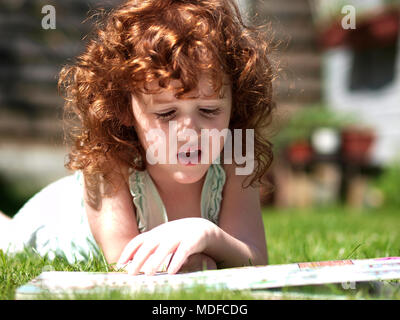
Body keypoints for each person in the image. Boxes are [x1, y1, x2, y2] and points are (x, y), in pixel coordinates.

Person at [0, 0, 275, 275]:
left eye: (209, 109)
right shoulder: (110, 162)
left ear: (235, 102)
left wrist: (208, 235)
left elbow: (254, 258)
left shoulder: (237, 156)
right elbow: (124, 263)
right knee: (8, 238)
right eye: (167, 113)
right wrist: (201, 261)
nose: (190, 131)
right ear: (124, 108)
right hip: (57, 217)